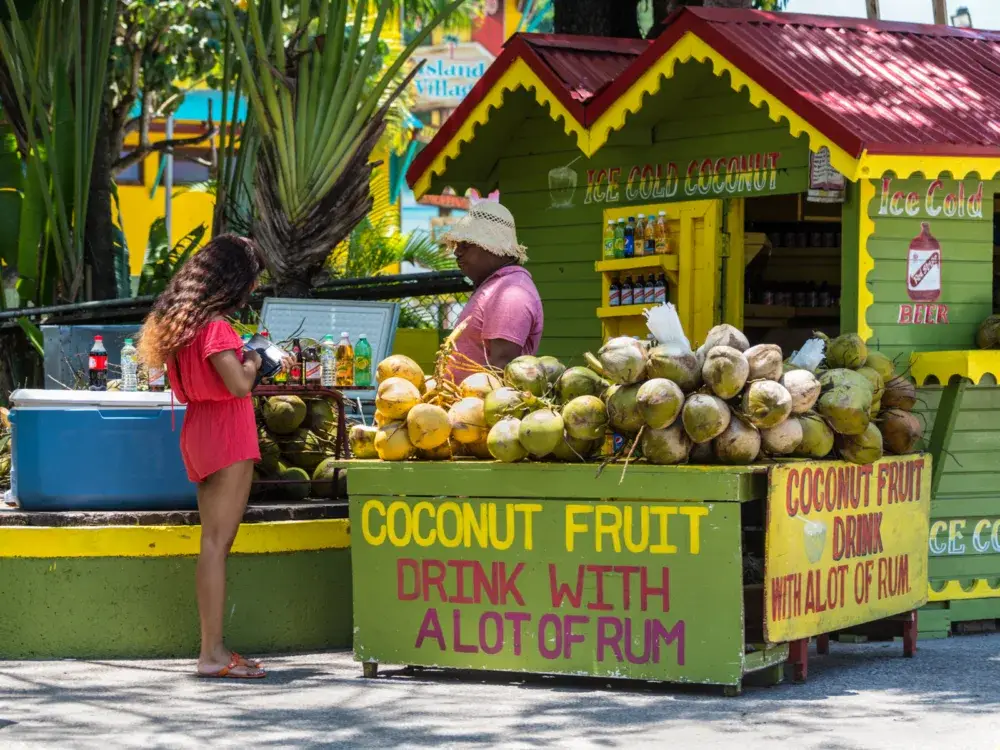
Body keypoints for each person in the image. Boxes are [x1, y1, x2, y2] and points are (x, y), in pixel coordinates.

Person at [138, 234, 287, 679]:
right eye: (251, 279)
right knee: (218, 546)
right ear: (233, 280)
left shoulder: (182, 323)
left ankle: (212, 651)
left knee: (211, 543)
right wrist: (259, 360)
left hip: (199, 429)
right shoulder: (216, 326)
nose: (253, 288)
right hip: (226, 430)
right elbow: (238, 385)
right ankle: (213, 654)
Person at [443, 201, 543, 381]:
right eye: (457, 245)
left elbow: (501, 371)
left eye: (466, 244)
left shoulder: (512, 292)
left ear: (494, 247)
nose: (457, 252)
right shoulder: (497, 285)